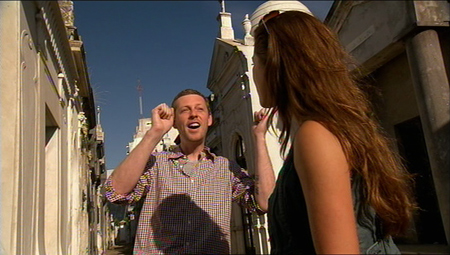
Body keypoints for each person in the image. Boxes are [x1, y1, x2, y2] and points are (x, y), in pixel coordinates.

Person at [249, 1, 417, 254]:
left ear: (275, 65)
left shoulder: (315, 135)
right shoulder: (334, 128)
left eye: (255, 63)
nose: (254, 72)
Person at [104, 89, 274, 254]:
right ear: (175, 122)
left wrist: (259, 136)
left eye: (200, 109)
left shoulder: (226, 168)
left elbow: (263, 203)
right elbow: (115, 193)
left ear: (209, 119)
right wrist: (154, 133)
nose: (193, 114)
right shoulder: (156, 164)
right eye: (185, 110)